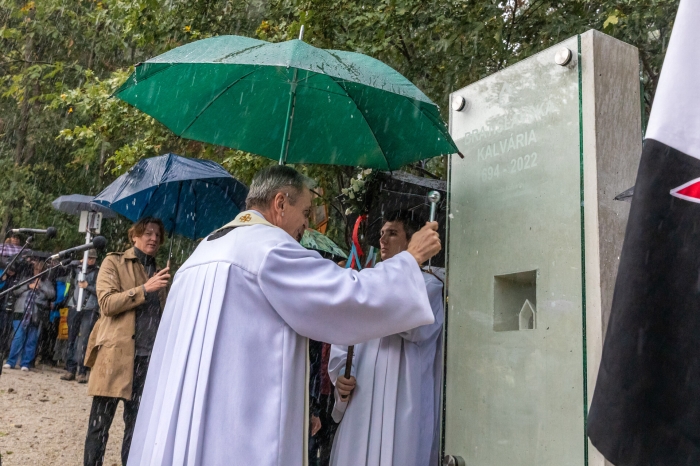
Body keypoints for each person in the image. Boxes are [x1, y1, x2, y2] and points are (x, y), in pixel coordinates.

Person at [127, 165, 441, 466]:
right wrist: (410, 260)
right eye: (305, 212)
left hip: (189, 422)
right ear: (280, 203)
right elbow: (347, 297)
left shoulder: (204, 249)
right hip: (240, 426)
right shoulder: (269, 248)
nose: (306, 225)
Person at [328, 210, 445, 466]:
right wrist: (341, 377)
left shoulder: (431, 284)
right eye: (381, 234)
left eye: (392, 234)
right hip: (364, 397)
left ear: (411, 241)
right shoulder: (370, 282)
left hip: (403, 399)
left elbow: (413, 325)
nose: (382, 240)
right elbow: (344, 333)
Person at [83, 218, 170, 466]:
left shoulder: (161, 272)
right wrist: (144, 289)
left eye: (157, 235)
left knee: (136, 430)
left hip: (147, 360)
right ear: (135, 236)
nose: (153, 238)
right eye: (147, 233)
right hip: (114, 357)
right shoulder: (114, 262)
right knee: (99, 426)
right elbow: (107, 304)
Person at [3, 256, 55, 371]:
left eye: (40, 269)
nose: (38, 271)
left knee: (32, 339)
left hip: (36, 314)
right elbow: (15, 290)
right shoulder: (25, 279)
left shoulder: (47, 282)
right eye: (36, 268)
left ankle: (25, 363)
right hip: (20, 311)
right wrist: (28, 286)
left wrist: (40, 285)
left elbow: (51, 294)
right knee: (18, 336)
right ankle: (11, 361)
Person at [60, 249, 100, 383]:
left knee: (85, 340)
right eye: (89, 258)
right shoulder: (76, 268)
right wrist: (79, 262)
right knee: (71, 338)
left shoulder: (98, 272)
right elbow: (65, 267)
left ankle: (82, 371)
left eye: (93, 258)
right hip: (74, 306)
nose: (91, 261)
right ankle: (69, 369)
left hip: (89, 308)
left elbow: (101, 290)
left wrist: (88, 286)